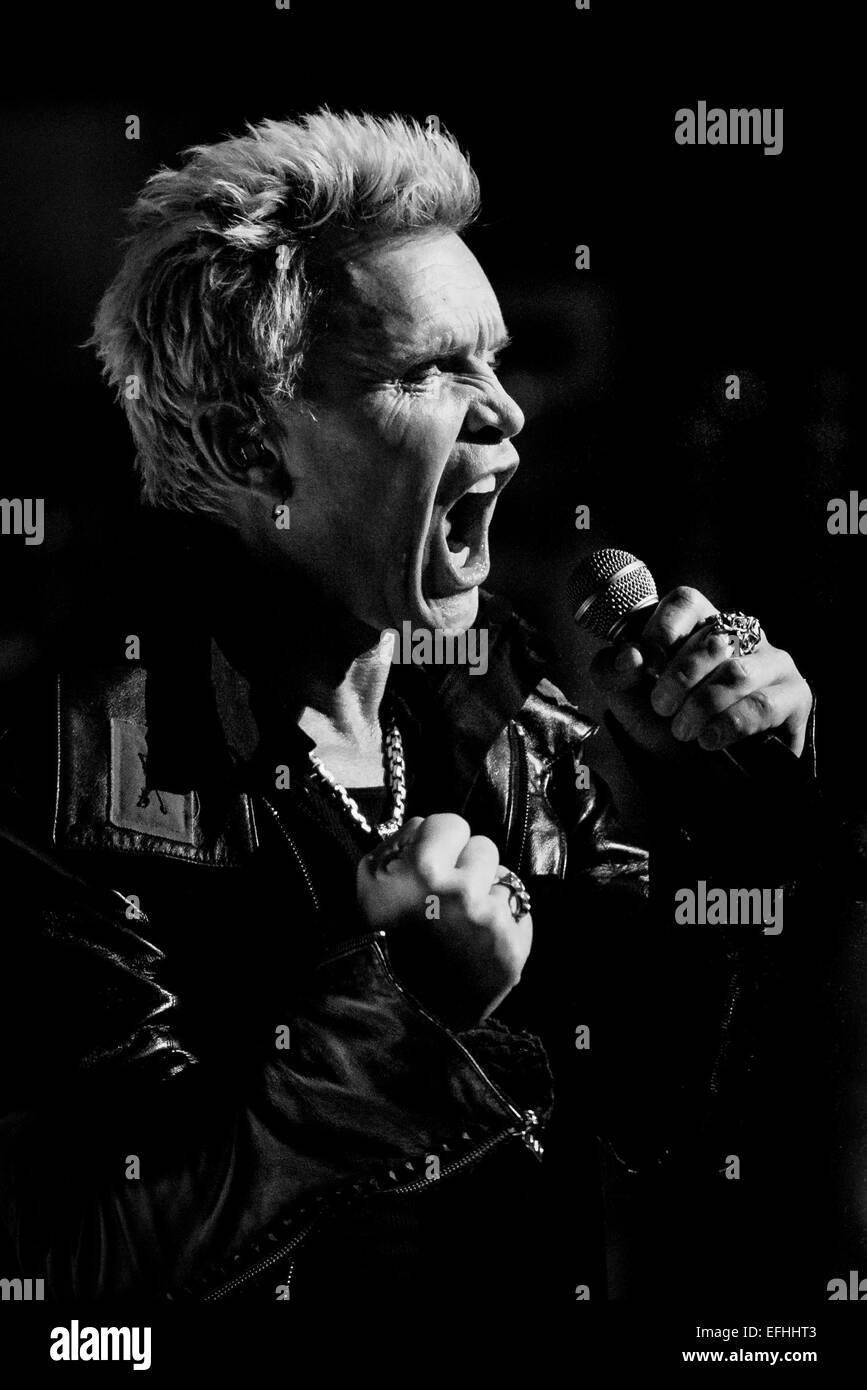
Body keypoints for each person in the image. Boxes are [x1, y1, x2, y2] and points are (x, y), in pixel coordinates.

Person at [0, 110, 818, 1307]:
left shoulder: (504, 706)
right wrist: (403, 1018)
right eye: (432, 368)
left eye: (493, 359)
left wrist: (736, 817)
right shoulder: (67, 780)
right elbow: (71, 1286)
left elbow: (657, 1107)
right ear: (251, 442)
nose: (506, 411)